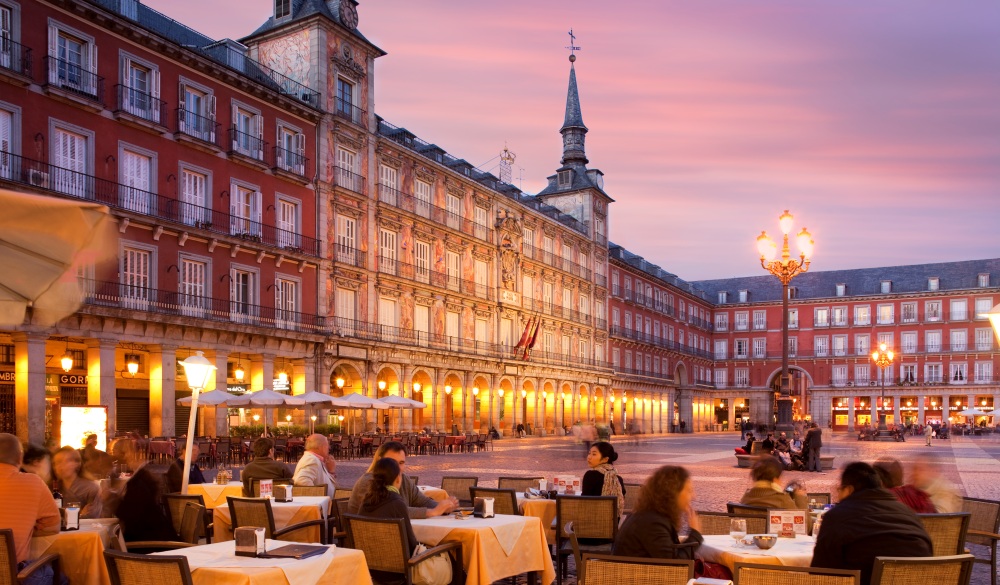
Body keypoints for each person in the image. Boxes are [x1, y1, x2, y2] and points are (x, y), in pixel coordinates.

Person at [812, 462, 931, 585]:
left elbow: (820, 575)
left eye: (839, 490)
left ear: (848, 490)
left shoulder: (837, 516)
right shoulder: (909, 514)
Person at [0, 433, 61, 584]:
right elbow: (54, 527)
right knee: (62, 576)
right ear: (20, 458)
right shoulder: (33, 483)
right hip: (14, 576)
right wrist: (26, 525)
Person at [347, 441, 458, 518]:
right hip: (365, 543)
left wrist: (443, 507)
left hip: (395, 537)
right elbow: (391, 510)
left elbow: (422, 501)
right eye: (392, 462)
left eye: (401, 463)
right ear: (380, 461)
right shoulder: (369, 481)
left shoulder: (404, 479)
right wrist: (433, 512)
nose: (398, 468)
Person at [613, 466, 703, 559]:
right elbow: (675, 562)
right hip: (635, 573)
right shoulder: (652, 523)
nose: (694, 496)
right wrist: (695, 534)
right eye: (689, 491)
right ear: (673, 492)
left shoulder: (652, 515)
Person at [111, 438, 179, 542]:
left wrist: (111, 500)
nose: (116, 460)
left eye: (117, 455)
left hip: (150, 545)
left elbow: (131, 515)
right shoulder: (142, 475)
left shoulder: (139, 482)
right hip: (155, 537)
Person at [740, 455, 809, 510]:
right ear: (776, 480)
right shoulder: (782, 500)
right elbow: (804, 523)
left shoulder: (745, 498)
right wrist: (800, 498)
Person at [52, 446, 102, 519]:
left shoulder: (91, 488)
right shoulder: (51, 488)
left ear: (77, 463)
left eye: (66, 461)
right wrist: (79, 513)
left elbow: (92, 516)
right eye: (57, 462)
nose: (61, 466)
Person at [581, 442, 625, 518]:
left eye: (594, 454)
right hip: (614, 524)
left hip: (590, 522)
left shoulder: (590, 475)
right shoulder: (618, 479)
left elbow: (584, 501)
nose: (589, 457)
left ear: (605, 459)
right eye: (589, 453)